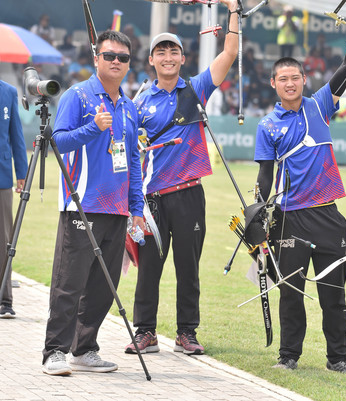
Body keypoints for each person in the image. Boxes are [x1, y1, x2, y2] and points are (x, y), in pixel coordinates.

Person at [253, 2, 346, 374]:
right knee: (291, 293)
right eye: (283, 78)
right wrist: (257, 221)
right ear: (273, 83)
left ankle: (338, 358)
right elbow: (264, 178)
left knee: (333, 294)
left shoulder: (320, 106)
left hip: (328, 216)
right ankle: (288, 356)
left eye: (295, 77)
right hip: (290, 219)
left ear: (303, 80)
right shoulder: (267, 126)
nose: (290, 83)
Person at [126, 0, 239, 356]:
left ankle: (186, 333)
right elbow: (128, 152)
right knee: (148, 270)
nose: (168, 57)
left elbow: (230, 53)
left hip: (190, 194)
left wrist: (233, 10)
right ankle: (145, 332)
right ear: (152, 61)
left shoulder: (196, 90)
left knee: (188, 269)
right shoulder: (139, 101)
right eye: (161, 52)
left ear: (182, 58)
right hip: (152, 199)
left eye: (173, 51)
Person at [42, 30, 144, 376]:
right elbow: (57, 143)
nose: (116, 61)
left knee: (104, 286)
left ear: (129, 64)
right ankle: (53, 350)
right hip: (81, 205)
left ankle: (84, 349)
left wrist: (138, 208)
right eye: (110, 55)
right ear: (96, 57)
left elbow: (133, 163)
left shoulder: (129, 107)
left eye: (123, 57)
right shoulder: (79, 96)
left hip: (116, 209)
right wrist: (92, 129)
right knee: (69, 282)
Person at [0, 80, 28, 319]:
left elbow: (16, 135)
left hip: (2, 180)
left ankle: (4, 300)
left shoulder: (8, 92)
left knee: (3, 243)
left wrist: (22, 173)